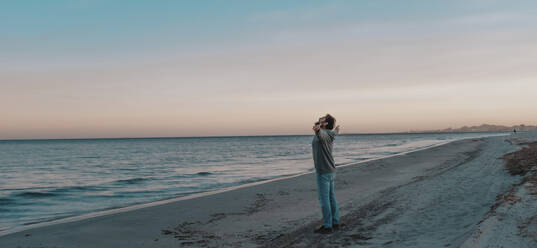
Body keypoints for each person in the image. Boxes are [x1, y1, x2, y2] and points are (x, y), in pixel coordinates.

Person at [311, 114, 341, 234]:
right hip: (330, 170)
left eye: (323, 118)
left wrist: (318, 130)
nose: (321, 117)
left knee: (324, 200)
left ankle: (328, 226)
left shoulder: (323, 134)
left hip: (323, 172)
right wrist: (336, 129)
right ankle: (335, 222)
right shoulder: (331, 133)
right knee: (331, 198)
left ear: (326, 124)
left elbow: (320, 135)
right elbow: (334, 132)